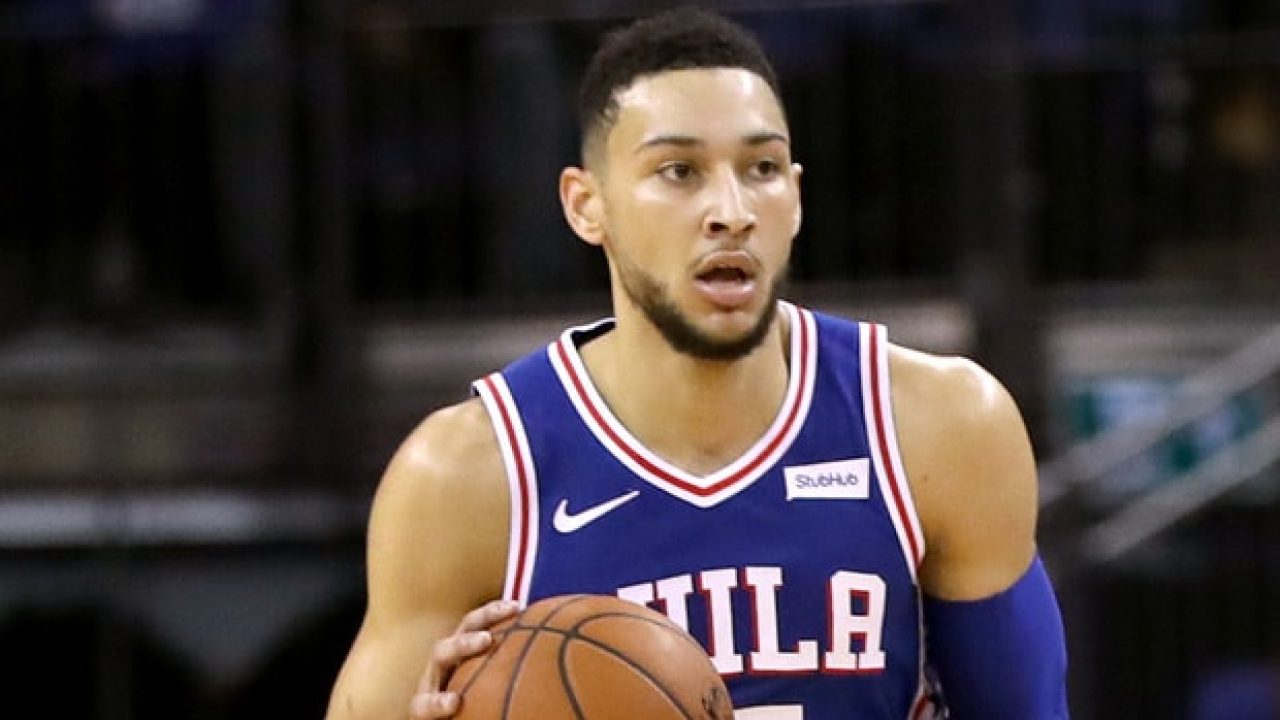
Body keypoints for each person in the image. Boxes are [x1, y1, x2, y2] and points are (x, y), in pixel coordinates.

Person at [326, 7, 1068, 719]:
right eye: (679, 171)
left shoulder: (938, 426)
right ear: (586, 206)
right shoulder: (467, 476)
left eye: (761, 168)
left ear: (796, 198)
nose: (731, 210)